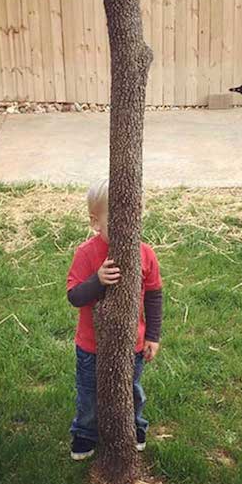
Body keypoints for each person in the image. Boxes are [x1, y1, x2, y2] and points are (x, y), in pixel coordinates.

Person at [66, 178, 163, 461]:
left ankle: (134, 427)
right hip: (91, 346)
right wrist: (97, 281)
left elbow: (154, 295)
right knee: (89, 394)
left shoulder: (146, 254)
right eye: (116, 219)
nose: (127, 226)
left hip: (132, 344)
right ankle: (85, 433)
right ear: (96, 222)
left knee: (131, 390)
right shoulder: (86, 254)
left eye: (133, 216)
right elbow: (74, 296)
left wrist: (153, 336)